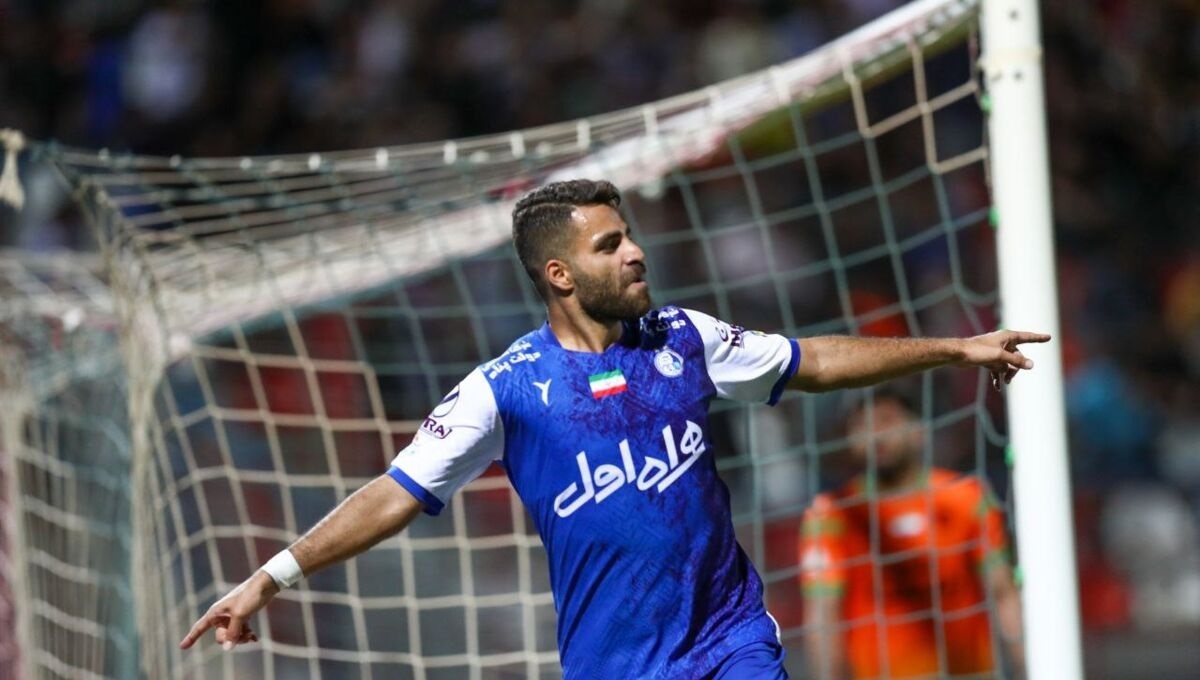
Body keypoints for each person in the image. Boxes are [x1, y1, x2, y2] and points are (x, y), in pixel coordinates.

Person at [180, 179, 1047, 679]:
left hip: (731, 637)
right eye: (608, 245)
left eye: (628, 236)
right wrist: (272, 576)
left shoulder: (684, 338)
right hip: (615, 663)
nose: (634, 253)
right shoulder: (504, 390)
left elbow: (812, 359)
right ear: (560, 274)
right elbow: (396, 492)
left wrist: (955, 349)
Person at [800, 388, 1025, 680]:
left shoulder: (966, 498)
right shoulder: (832, 515)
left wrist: (1025, 666)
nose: (875, 435)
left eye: (886, 420)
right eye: (863, 425)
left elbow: (1003, 594)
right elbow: (823, 618)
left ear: (919, 430)